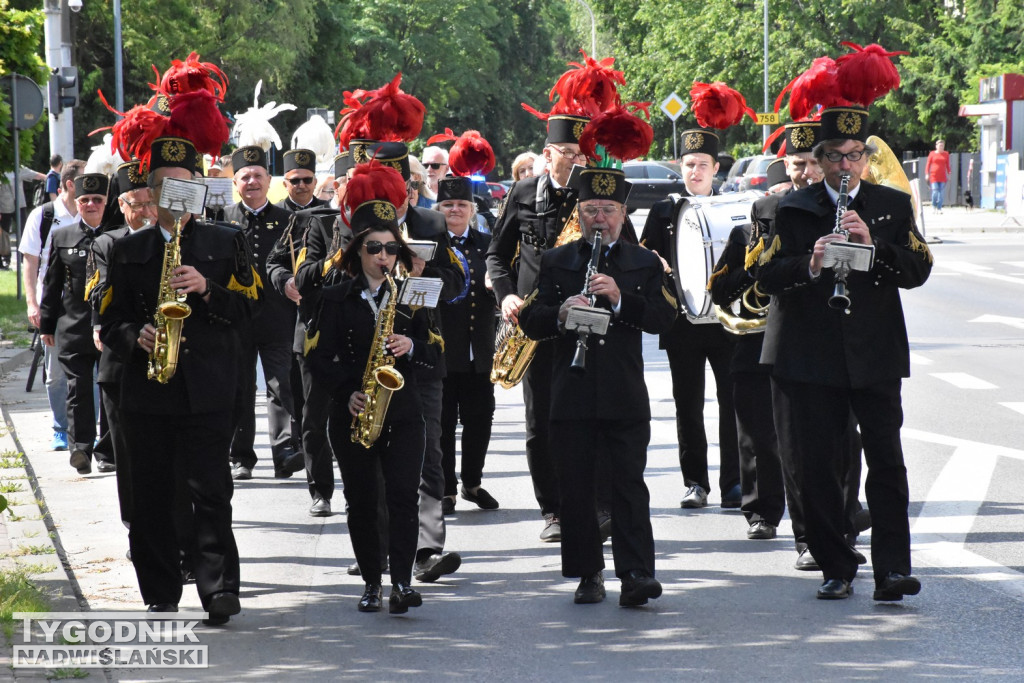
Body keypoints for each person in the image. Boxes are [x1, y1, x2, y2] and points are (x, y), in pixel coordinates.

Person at [758, 106, 932, 601]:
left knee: (887, 462)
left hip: (874, 354)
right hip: (809, 355)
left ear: (863, 159)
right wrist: (810, 263)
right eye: (834, 157)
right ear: (819, 159)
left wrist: (874, 246)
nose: (844, 166)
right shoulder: (790, 209)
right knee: (817, 466)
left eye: (854, 157)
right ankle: (836, 565)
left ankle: (893, 569)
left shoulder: (891, 205)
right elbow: (765, 275)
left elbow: (918, 269)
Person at [100, 136, 259, 622]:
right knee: (152, 495)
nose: (175, 197)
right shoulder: (129, 249)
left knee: (211, 490)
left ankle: (219, 589)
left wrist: (208, 289)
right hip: (148, 390)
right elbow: (110, 322)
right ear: (152, 193)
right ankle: (161, 590)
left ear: (199, 191)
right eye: (165, 188)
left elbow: (251, 309)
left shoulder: (224, 240)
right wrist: (135, 336)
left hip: (208, 386)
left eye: (185, 187)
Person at [520, 166, 675, 605]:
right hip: (570, 394)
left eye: (608, 210)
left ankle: (636, 573)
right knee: (577, 486)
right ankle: (588, 573)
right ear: (580, 213)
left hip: (623, 394)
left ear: (624, 214)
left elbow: (665, 319)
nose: (600, 218)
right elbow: (530, 321)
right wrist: (561, 313)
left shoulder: (643, 261)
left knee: (628, 485)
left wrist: (620, 299)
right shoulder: (556, 261)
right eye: (591, 210)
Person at [306, 199, 437, 614]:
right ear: (357, 251)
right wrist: (347, 392)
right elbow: (315, 357)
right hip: (353, 413)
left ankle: (401, 582)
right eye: (374, 248)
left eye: (392, 248)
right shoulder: (334, 297)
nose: (384, 257)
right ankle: (371, 583)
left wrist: (411, 344)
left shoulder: (411, 297)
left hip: (402, 412)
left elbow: (437, 357)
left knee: (402, 497)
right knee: (362, 501)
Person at [708, 122, 820, 543]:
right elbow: (720, 288)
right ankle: (761, 510)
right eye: (798, 163)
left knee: (809, 439)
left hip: (812, 341)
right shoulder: (760, 217)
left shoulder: (840, 212)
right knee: (756, 434)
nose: (806, 172)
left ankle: (827, 519)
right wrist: (752, 267)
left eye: (813, 163)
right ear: (785, 165)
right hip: (755, 342)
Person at [486, 113, 591, 541]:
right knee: (540, 421)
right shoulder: (524, 191)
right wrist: (506, 294)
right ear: (547, 155)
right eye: (567, 154)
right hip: (531, 321)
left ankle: (586, 504)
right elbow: (496, 255)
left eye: (581, 154)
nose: (574, 161)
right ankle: (551, 510)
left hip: (583, 319)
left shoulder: (591, 191)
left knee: (583, 416)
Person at [639, 128, 741, 510]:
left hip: (725, 321)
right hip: (681, 322)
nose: (694, 171)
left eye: (702, 165)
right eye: (688, 164)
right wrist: (658, 265)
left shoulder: (729, 207)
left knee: (732, 402)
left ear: (716, 169)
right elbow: (644, 256)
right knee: (688, 403)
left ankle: (734, 481)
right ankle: (695, 482)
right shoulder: (664, 210)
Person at [222, 145, 304, 480]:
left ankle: (284, 450)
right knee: (239, 387)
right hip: (236, 319)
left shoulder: (289, 220)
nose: (252, 181)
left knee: (280, 385)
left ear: (269, 180)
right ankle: (241, 456)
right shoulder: (223, 220)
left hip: (277, 316)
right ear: (236, 182)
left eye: (258, 176)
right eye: (245, 177)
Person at [90, 160, 159, 526]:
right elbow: (102, 295)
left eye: (152, 202)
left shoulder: (171, 239)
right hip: (122, 365)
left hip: (169, 361)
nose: (147, 212)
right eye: (137, 205)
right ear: (121, 205)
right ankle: (137, 528)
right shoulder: (107, 244)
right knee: (129, 457)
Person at [39, 173, 116, 475]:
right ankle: (80, 448)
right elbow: (52, 284)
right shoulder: (63, 236)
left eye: (97, 200)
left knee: (109, 389)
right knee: (78, 389)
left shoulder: (119, 235)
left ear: (106, 202)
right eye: (85, 200)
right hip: (74, 326)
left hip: (111, 327)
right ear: (77, 202)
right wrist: (47, 325)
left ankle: (108, 452)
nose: (91, 205)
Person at [435, 176, 499, 513]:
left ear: (472, 209)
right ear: (439, 209)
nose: (455, 210)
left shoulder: (489, 243)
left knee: (481, 418)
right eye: (448, 205)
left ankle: (471, 482)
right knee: (443, 422)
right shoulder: (429, 244)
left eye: (461, 205)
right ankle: (445, 489)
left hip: (480, 350)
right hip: (444, 350)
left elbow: (504, 277)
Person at [18, 159, 85, 451]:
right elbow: (30, 263)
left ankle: (85, 428)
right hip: (53, 306)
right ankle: (61, 427)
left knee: (91, 372)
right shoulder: (43, 215)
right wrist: (33, 304)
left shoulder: (91, 213)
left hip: (85, 305)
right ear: (70, 184)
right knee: (56, 372)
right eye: (85, 181)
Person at [277, 148, 328, 212]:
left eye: (307, 180)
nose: (302, 185)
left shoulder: (328, 211)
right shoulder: (274, 213)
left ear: (315, 182)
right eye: (295, 181)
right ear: (285, 185)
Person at [925, 139, 951, 213]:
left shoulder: (946, 154)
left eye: (942, 146)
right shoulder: (932, 154)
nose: (941, 147)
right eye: (940, 146)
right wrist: (927, 174)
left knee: (941, 193)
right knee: (935, 192)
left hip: (942, 176)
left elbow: (947, 165)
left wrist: (949, 173)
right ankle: (934, 206)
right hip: (934, 176)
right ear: (936, 146)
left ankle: (939, 208)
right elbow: (928, 164)